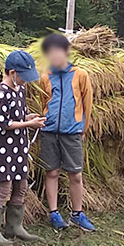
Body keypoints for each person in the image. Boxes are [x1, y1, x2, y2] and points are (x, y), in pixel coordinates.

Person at [0, 50, 46, 246]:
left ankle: (14, 226)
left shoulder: (20, 91)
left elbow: (19, 116)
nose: (25, 81)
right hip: (3, 147)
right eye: (23, 77)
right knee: (4, 187)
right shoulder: (1, 94)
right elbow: (3, 124)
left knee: (21, 185)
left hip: (19, 146)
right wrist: (28, 125)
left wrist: (29, 118)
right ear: (11, 73)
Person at [38, 33, 96, 232]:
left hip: (72, 131)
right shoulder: (45, 76)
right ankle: (54, 213)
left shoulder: (80, 74)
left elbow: (87, 104)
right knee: (52, 171)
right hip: (49, 131)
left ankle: (77, 213)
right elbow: (43, 103)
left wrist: (83, 128)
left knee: (75, 174)